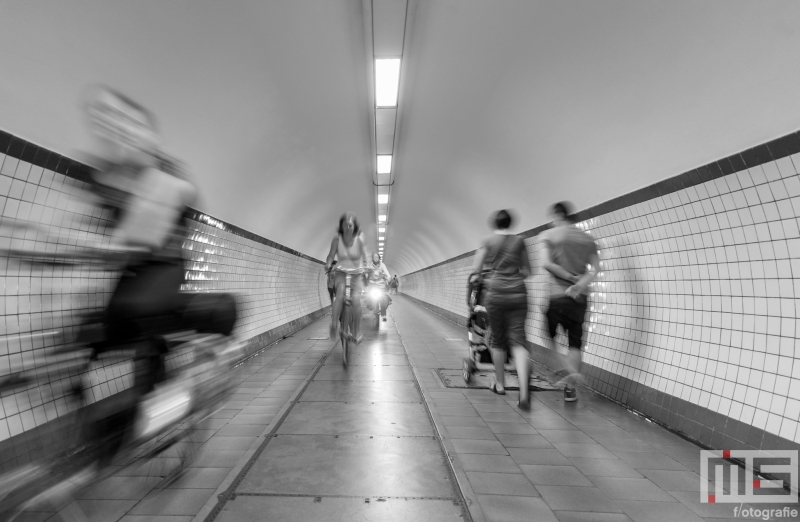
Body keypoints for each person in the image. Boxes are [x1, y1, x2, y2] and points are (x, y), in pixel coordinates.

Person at [471, 210, 532, 409]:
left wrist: (488, 277)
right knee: (518, 340)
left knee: (497, 340)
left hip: (495, 294)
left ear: (494, 224)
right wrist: (513, 279)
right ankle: (523, 392)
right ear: (510, 223)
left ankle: (500, 384)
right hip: (518, 294)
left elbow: (476, 270)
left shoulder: (487, 241)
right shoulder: (519, 241)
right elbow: (528, 271)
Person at [540, 201, 599, 402]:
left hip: (557, 295)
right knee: (575, 343)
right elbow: (594, 271)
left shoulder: (549, 235)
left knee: (549, 335)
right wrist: (579, 284)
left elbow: (547, 263)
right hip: (579, 299)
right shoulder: (587, 239)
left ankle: (568, 368)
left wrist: (570, 278)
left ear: (556, 216)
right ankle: (570, 390)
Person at [325, 212, 368, 342]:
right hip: (341, 272)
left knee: (356, 299)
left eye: (350, 225)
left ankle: (357, 329)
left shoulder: (359, 240)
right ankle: (333, 324)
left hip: (357, 274)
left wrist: (366, 269)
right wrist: (328, 264)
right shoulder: (337, 239)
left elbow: (365, 256)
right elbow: (331, 255)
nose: (348, 227)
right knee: (340, 294)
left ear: (354, 227)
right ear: (341, 227)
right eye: (345, 225)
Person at [366, 253, 391, 321]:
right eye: (374, 257)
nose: (375, 258)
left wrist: (388, 278)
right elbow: (366, 273)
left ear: (379, 258)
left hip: (381, 286)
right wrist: (365, 276)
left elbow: (387, 273)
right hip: (372, 285)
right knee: (368, 298)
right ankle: (372, 308)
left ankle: (383, 314)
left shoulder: (382, 265)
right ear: (372, 258)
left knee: (384, 300)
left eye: (377, 257)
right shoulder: (369, 265)